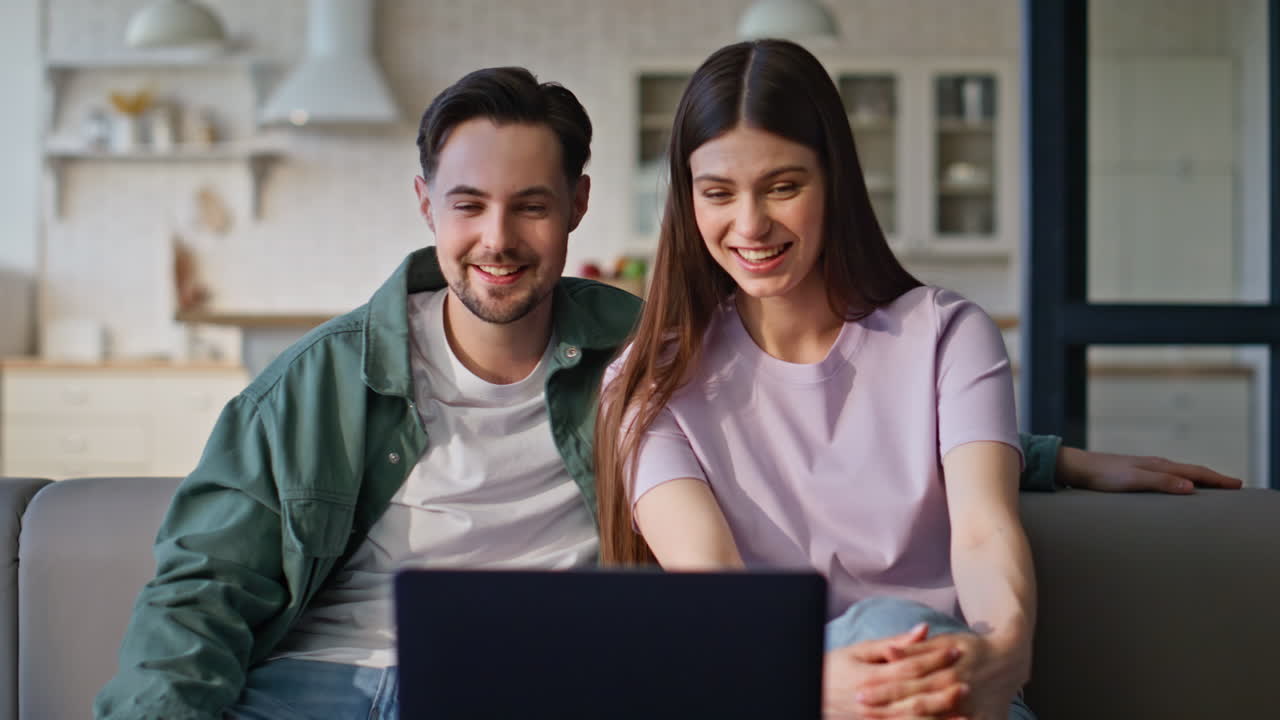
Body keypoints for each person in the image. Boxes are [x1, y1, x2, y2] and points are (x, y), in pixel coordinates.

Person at [94, 64, 1239, 720]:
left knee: (892, 643)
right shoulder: (334, 387)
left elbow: (895, 440)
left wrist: (1044, 467)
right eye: (468, 206)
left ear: (579, 208)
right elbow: (196, 600)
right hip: (328, 689)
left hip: (537, 695)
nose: (497, 239)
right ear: (425, 204)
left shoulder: (634, 353)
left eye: (530, 206)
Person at [592, 39, 1240, 720]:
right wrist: (809, 680)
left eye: (784, 186)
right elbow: (712, 586)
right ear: (687, 200)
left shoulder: (945, 336)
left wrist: (1008, 651)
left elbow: (984, 533)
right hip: (772, 687)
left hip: (951, 686)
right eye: (718, 193)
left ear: (834, 181)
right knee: (877, 633)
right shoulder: (648, 381)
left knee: (894, 633)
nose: (750, 224)